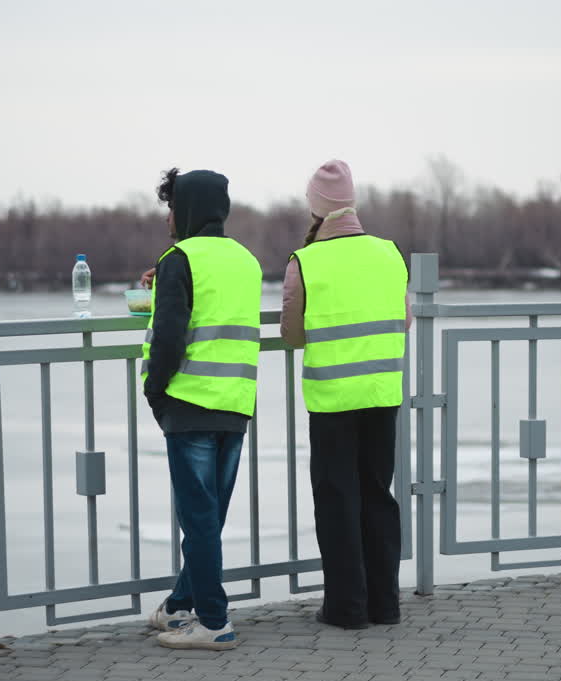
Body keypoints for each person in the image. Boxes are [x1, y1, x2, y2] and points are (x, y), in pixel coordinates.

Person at [281, 159, 411, 629]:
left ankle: (347, 608)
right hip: (382, 392)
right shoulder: (389, 252)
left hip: (334, 397)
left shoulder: (307, 261)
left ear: (316, 208)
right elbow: (405, 320)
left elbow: (293, 335)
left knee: (338, 499)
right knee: (378, 495)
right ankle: (386, 605)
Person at [140, 168, 263, 650]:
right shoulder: (246, 260)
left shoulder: (180, 258)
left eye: (172, 208)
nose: (168, 218)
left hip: (189, 402)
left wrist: (155, 388)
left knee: (198, 517)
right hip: (235, 403)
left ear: (185, 210)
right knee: (208, 516)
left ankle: (214, 622)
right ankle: (178, 607)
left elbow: (169, 335)